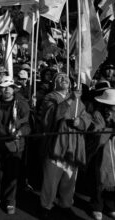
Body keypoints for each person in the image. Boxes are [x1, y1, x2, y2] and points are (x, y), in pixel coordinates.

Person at [39, 73, 92, 219]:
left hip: (73, 145)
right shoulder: (50, 97)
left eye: (67, 78)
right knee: (51, 180)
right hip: (56, 144)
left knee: (69, 179)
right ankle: (46, 206)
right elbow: (51, 116)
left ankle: (66, 204)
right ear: (54, 83)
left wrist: (80, 122)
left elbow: (87, 117)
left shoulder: (78, 100)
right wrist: (69, 100)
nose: (64, 80)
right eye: (60, 78)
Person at [0, 77, 31, 215]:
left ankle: (10, 201)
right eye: (4, 87)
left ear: (14, 88)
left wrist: (21, 132)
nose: (7, 89)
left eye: (10, 86)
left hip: (14, 145)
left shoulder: (21, 104)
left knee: (12, 174)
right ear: (0, 89)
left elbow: (27, 125)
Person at [86, 89, 115, 220]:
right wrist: (110, 130)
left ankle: (111, 206)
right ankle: (97, 206)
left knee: (113, 179)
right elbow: (97, 131)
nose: (110, 109)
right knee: (98, 179)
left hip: (113, 152)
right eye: (109, 106)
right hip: (99, 150)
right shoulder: (97, 114)